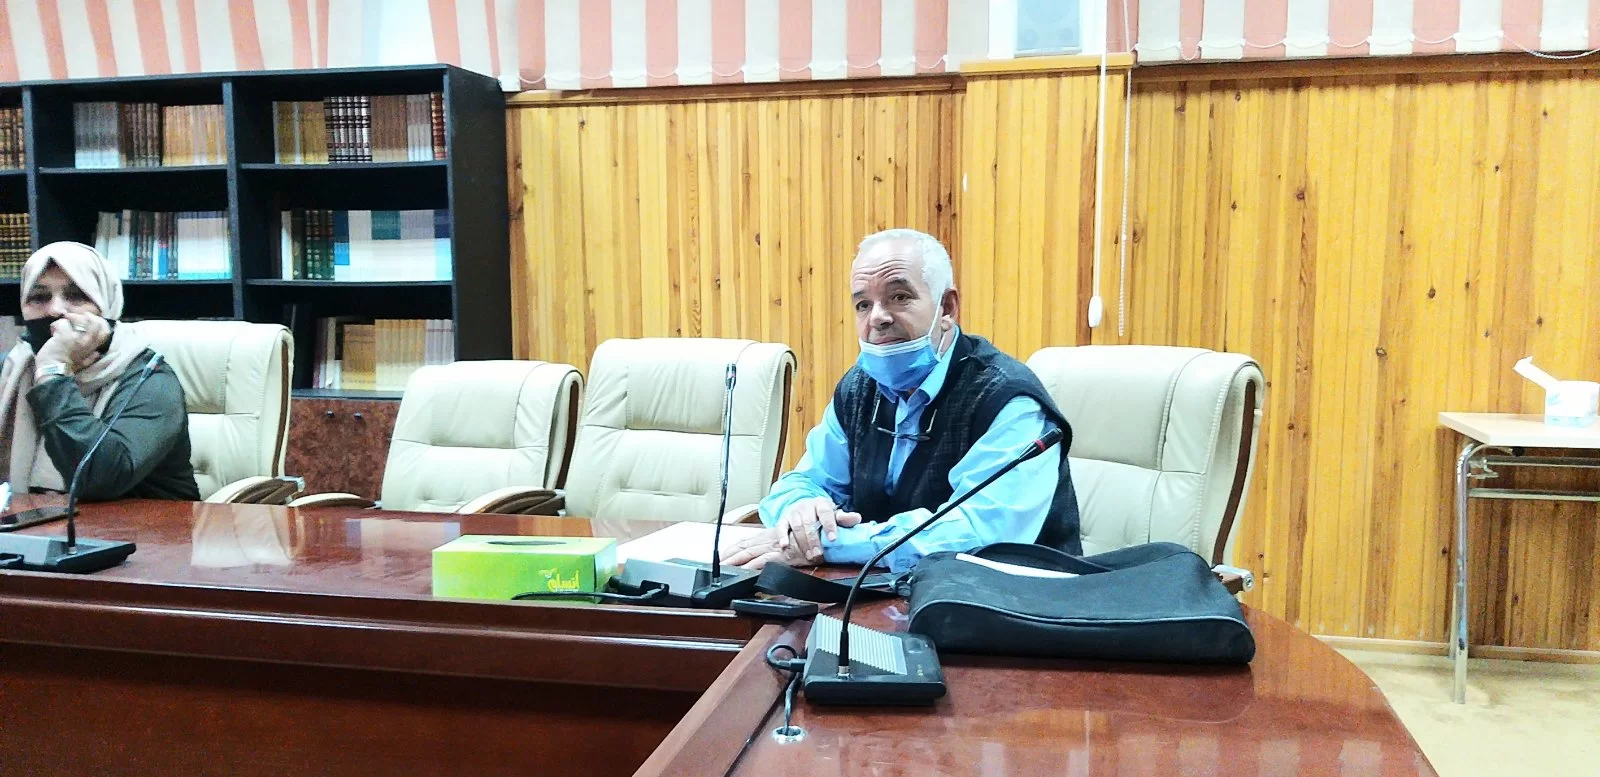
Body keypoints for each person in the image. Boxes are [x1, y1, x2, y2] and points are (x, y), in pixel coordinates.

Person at [725, 229, 1079, 572]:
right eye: (863, 304)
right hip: (880, 592)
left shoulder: (1008, 400)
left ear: (946, 308)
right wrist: (801, 513)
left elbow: (979, 532)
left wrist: (831, 544)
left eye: (899, 297)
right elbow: (802, 482)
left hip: (1013, 599)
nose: (877, 317)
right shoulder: (859, 388)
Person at [0, 241, 199, 502]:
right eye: (39, 297)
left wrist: (52, 373)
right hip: (34, 521)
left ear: (106, 305)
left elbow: (98, 478)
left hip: (147, 524)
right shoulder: (15, 368)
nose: (55, 310)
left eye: (76, 296)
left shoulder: (150, 378)